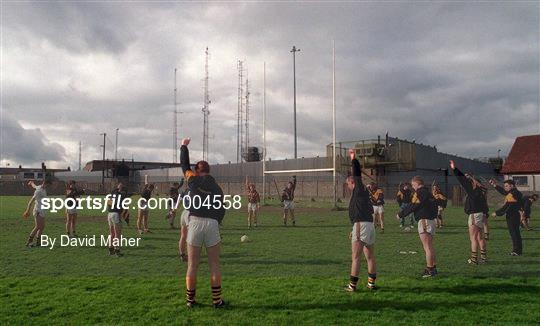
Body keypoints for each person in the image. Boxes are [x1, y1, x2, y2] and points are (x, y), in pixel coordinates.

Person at [180, 137, 226, 308]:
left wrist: (184, 146)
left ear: (198, 171)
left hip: (195, 223)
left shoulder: (192, 180)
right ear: (209, 170)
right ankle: (217, 301)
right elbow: (222, 209)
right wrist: (218, 222)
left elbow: (184, 166)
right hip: (212, 224)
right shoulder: (217, 188)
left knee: (192, 265)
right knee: (214, 264)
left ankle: (190, 301)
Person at [344, 149, 377, 291]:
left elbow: (356, 173)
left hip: (361, 225)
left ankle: (352, 286)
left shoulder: (358, 188)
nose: (348, 187)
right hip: (368, 225)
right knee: (369, 256)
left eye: (348, 184)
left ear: (352, 183)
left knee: (356, 257)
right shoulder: (363, 192)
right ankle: (371, 284)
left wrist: (353, 159)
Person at [397, 176, 439, 277]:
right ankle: (433, 268)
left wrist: (401, 214)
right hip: (431, 220)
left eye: (413, 185)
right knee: (430, 246)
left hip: (424, 220)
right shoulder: (428, 193)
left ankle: (430, 270)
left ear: (417, 183)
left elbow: (413, 205)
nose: (413, 187)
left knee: (427, 247)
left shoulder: (420, 192)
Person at [450, 160, 489, 264]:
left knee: (473, 238)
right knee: (480, 238)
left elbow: (461, 179)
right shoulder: (481, 191)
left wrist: (455, 169)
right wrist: (486, 214)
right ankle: (484, 259)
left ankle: (473, 260)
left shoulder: (472, 189)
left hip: (474, 215)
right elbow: (485, 206)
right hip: (481, 214)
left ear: (472, 182)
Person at [489, 179, 524, 256]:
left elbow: (508, 205)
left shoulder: (514, 194)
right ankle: (518, 250)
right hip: (514, 215)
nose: (505, 187)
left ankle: (516, 251)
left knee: (514, 234)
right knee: (516, 233)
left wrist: (497, 213)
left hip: (512, 216)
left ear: (512, 186)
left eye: (506, 186)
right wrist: (495, 185)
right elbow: (504, 192)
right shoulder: (514, 192)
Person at [23, 179, 52, 247]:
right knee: (38, 226)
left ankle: (38, 242)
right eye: (47, 185)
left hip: (42, 210)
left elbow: (34, 186)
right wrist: (27, 210)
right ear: (44, 183)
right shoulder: (38, 191)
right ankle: (29, 241)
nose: (48, 187)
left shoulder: (39, 187)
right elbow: (31, 201)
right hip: (38, 210)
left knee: (42, 227)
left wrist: (31, 183)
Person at [106, 182, 128, 257]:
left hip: (109, 214)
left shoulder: (112, 194)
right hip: (115, 214)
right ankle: (117, 250)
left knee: (111, 234)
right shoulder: (121, 195)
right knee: (117, 234)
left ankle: (110, 250)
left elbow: (109, 205)